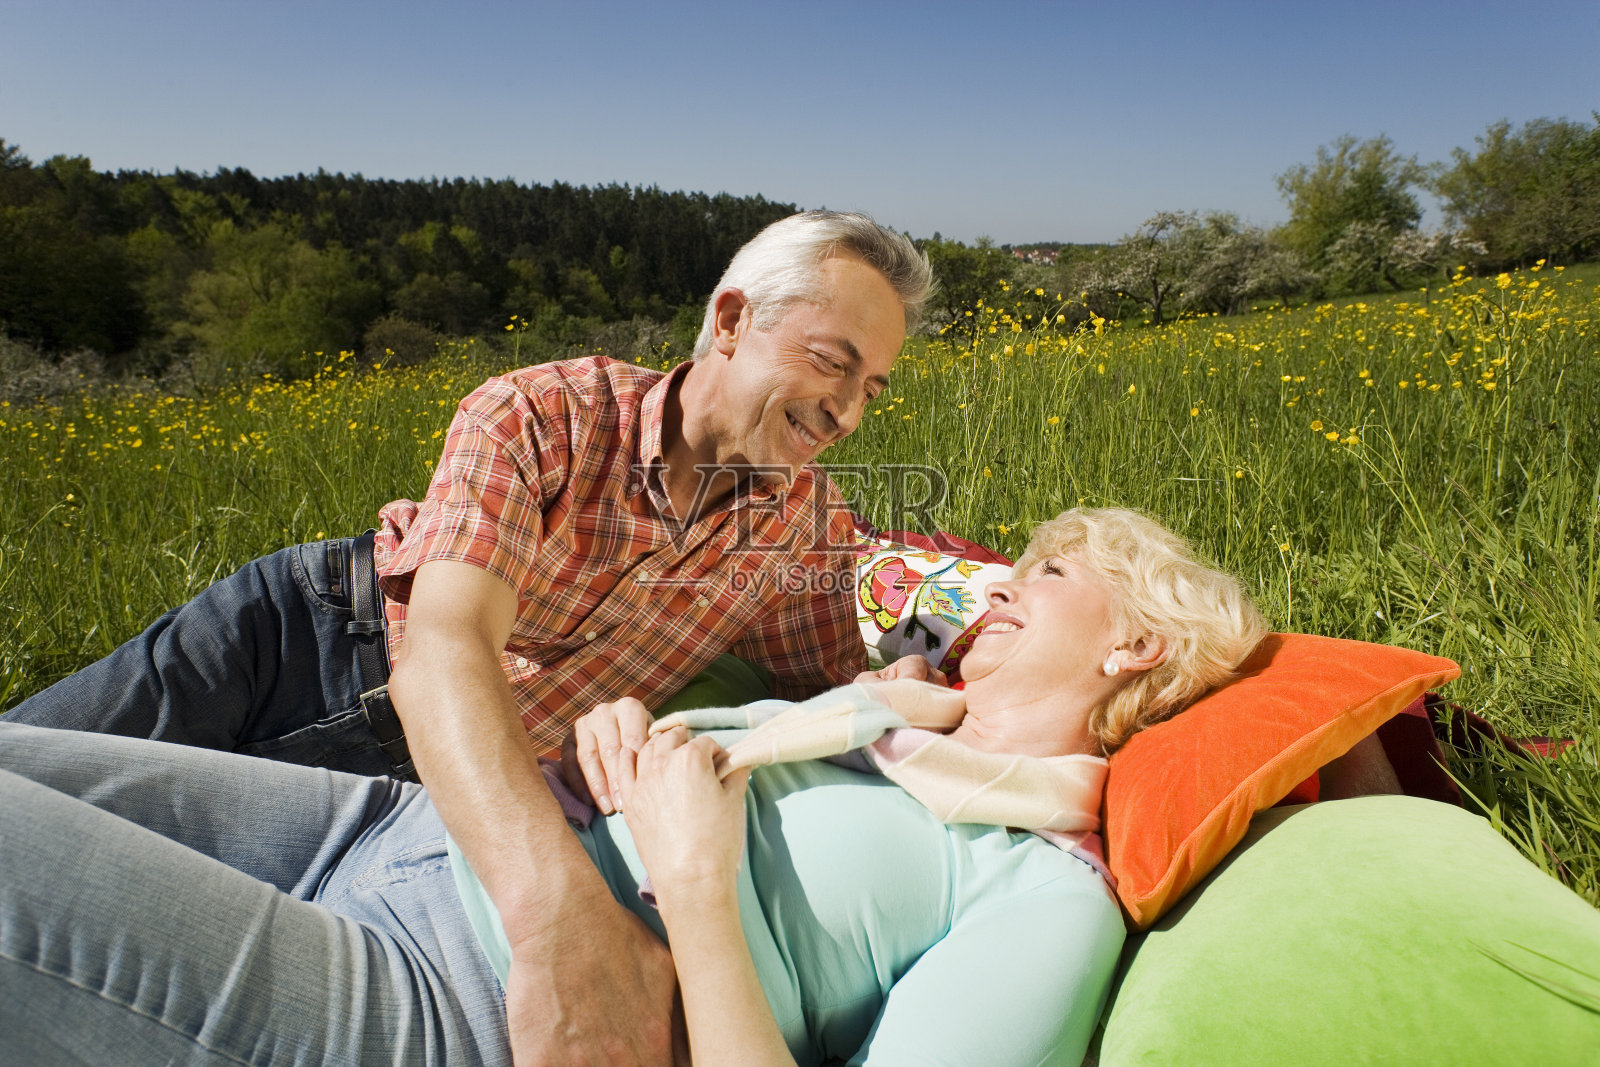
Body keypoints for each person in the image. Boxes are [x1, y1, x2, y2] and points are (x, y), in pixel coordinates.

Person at [4, 211, 933, 1062]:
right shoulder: (544, 411)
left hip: (418, 796)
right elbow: (442, 646)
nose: (847, 411)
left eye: (872, 387)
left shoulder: (809, 525)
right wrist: (560, 921)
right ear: (730, 321)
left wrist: (938, 674)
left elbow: (832, 700)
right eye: (829, 361)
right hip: (301, 643)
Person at [0, 508, 1266, 1065]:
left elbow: (701, 864)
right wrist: (630, 731)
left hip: (451, 987)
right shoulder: (883, 712)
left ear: (1133, 644)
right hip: (405, 824)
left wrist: (699, 882)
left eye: (1041, 574)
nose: (989, 588)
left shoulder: (1048, 888)